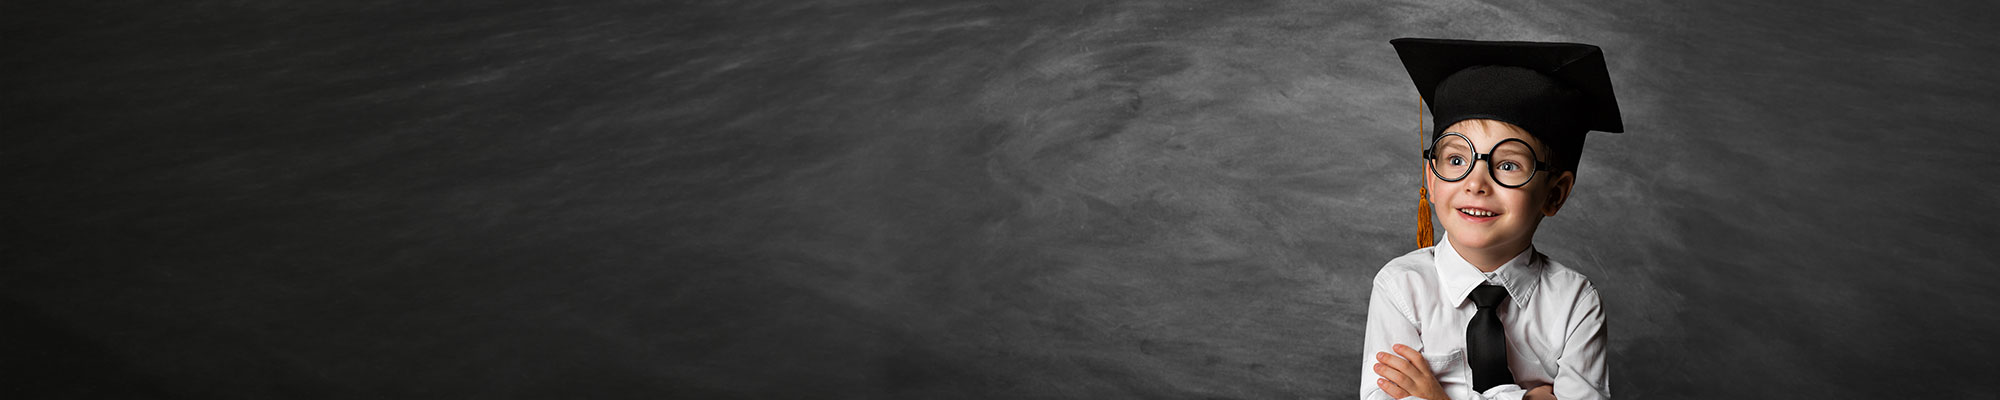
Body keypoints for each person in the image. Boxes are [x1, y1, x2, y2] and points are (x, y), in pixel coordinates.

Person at [1359, 38, 1622, 400]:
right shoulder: (1402, 288)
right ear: (1432, 181)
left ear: (1554, 194)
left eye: (1509, 165)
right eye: (1455, 160)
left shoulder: (1575, 303)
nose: (1476, 183)